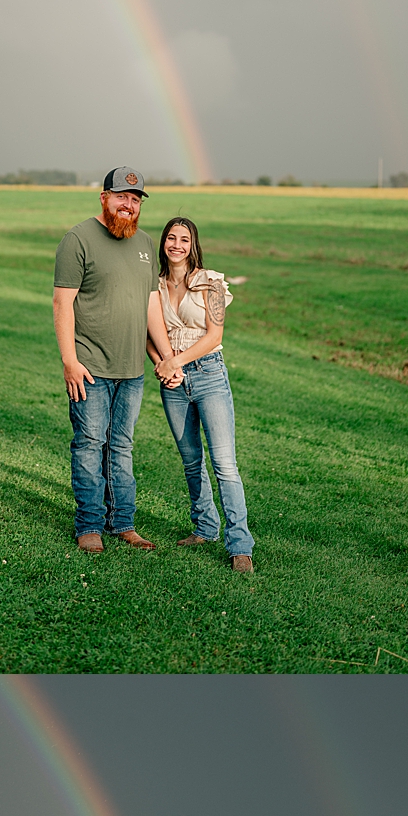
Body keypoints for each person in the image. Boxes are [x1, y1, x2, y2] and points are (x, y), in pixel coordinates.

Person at [53, 168, 182, 554]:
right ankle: (89, 525)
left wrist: (168, 358)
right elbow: (62, 303)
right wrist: (69, 361)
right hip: (89, 368)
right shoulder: (78, 239)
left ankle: (122, 523)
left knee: (121, 447)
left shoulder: (143, 243)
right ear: (104, 197)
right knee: (90, 445)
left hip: (132, 372)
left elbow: (151, 306)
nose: (129, 205)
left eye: (137, 199)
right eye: (123, 197)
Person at [155, 218, 255, 573]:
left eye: (184, 239)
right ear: (163, 242)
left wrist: (175, 361)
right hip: (172, 382)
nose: (177, 244)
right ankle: (205, 527)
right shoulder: (154, 286)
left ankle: (240, 545)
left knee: (224, 464)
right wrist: (163, 366)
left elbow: (214, 336)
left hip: (208, 373)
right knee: (190, 460)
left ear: (193, 244)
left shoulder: (210, 283)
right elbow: (148, 335)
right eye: (171, 237)